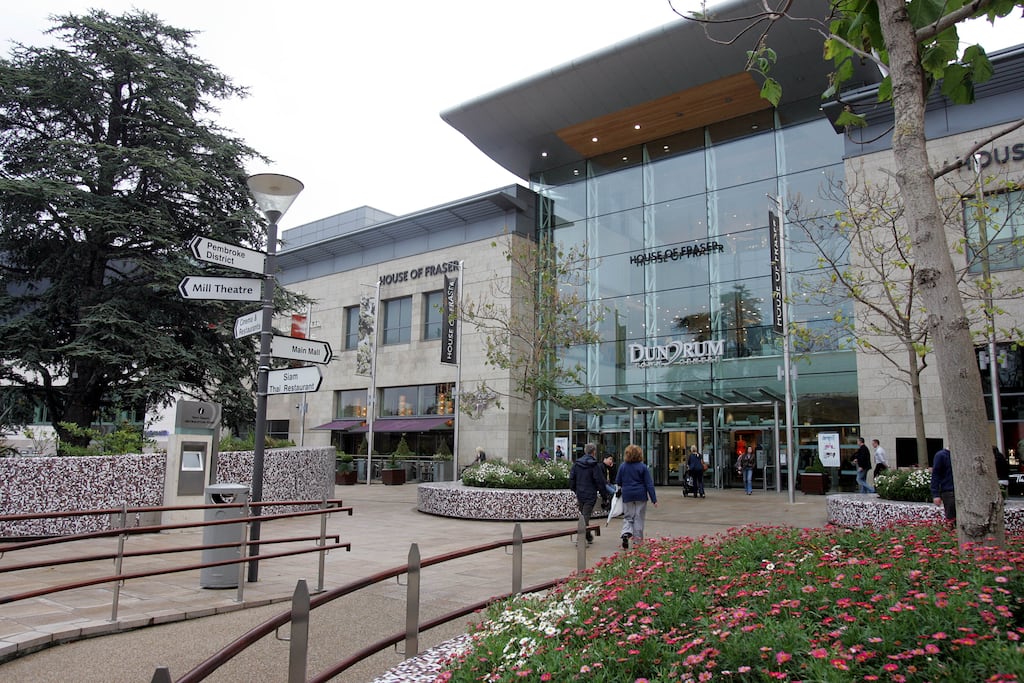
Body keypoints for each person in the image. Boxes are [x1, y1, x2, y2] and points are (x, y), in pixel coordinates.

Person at [615, 443, 657, 549]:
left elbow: (618, 481)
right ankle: (637, 541)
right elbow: (649, 484)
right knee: (638, 517)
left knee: (628, 516)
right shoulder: (642, 467)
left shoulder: (623, 466)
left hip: (627, 494)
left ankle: (626, 532)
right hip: (640, 495)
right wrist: (654, 499)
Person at [568, 443, 608, 545]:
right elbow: (600, 481)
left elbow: (572, 478)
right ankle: (580, 538)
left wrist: (575, 489)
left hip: (580, 493)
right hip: (590, 493)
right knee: (585, 516)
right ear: (594, 452)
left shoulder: (577, 464)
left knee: (584, 514)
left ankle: (588, 536)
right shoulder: (594, 465)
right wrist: (604, 496)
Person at [930, 448, 955, 523]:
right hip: (949, 492)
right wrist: (936, 495)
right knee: (952, 519)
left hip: (962, 492)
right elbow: (936, 475)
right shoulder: (941, 455)